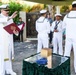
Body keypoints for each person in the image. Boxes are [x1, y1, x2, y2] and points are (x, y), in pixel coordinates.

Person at [0, 4, 18, 75]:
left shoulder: (10, 18)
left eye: (8, 10)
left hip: (9, 39)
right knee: (2, 56)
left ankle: (9, 70)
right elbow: (3, 21)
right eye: (5, 10)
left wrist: (15, 32)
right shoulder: (1, 17)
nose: (7, 12)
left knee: (9, 55)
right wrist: (10, 17)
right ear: (1, 10)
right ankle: (2, 72)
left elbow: (13, 28)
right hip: (2, 40)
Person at [63, 1, 76, 73]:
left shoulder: (66, 16)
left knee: (66, 53)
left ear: (72, 6)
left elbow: (64, 28)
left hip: (68, 37)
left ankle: (65, 70)